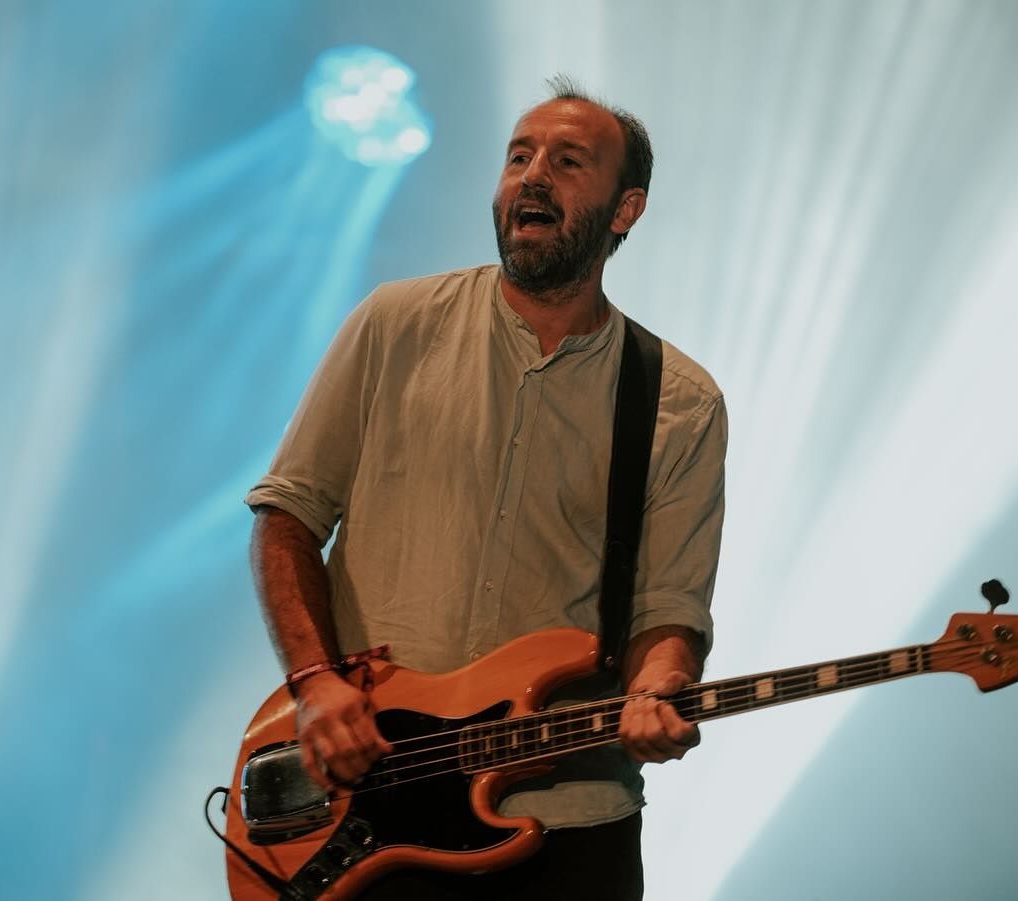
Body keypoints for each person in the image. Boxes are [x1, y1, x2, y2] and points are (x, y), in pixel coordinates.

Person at [245, 76, 727, 900]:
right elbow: (286, 514)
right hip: (366, 808)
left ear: (625, 209)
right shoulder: (393, 325)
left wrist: (659, 686)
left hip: (570, 822)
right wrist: (315, 683)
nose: (531, 176)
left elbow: (667, 606)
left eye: (567, 162)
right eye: (517, 157)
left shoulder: (679, 400)